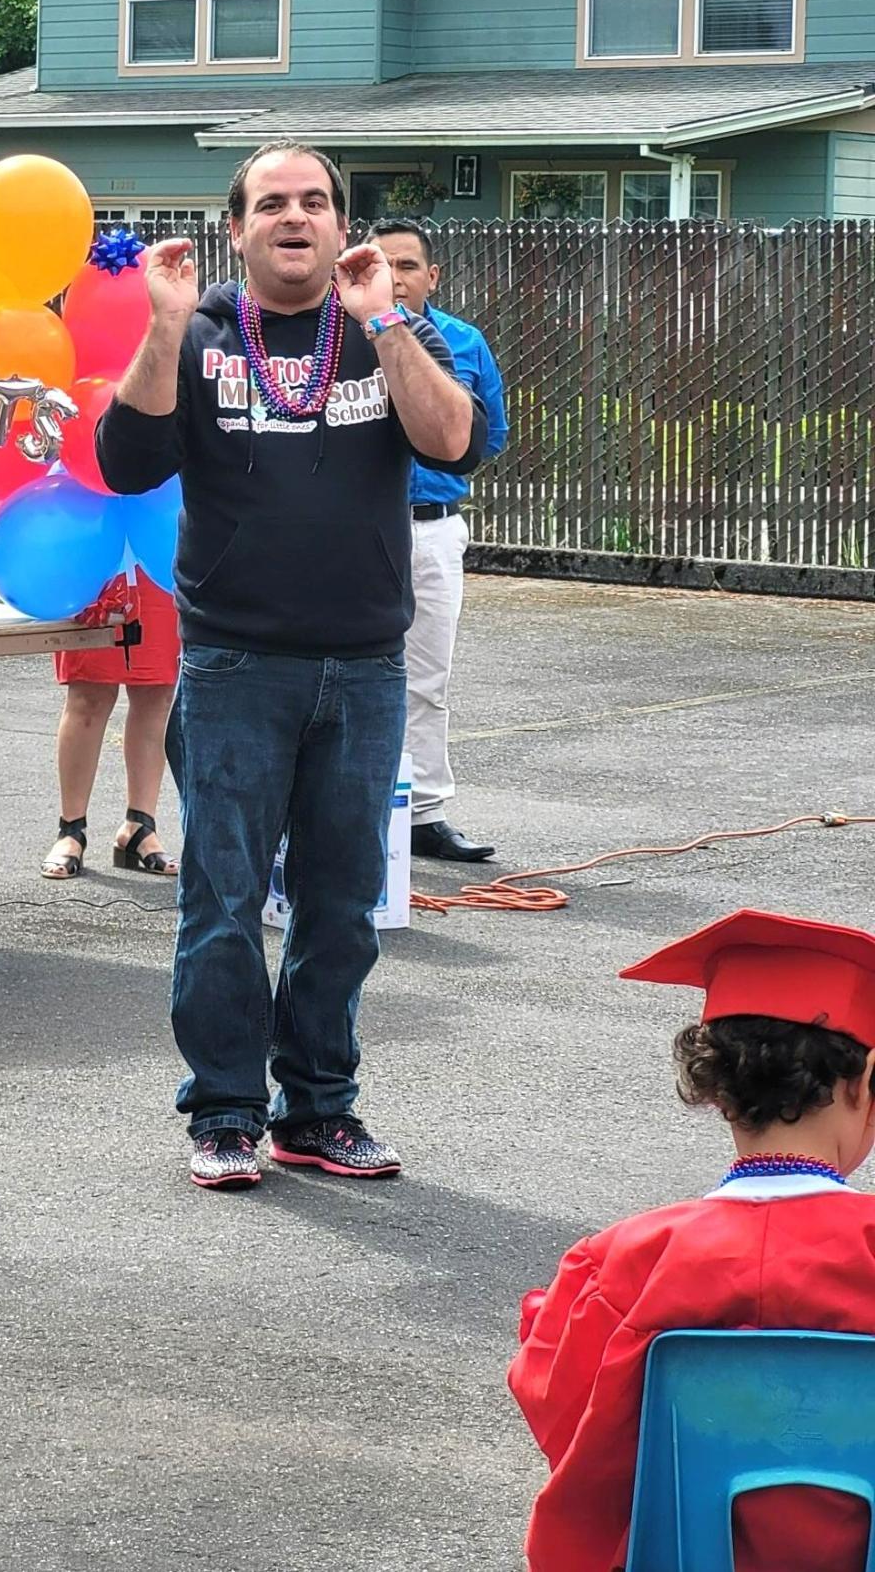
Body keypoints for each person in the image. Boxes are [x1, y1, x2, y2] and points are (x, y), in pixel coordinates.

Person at [96, 139, 487, 1191]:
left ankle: (317, 1109)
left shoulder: (381, 323)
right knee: (221, 899)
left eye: (314, 201)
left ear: (340, 226)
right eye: (271, 202)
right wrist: (165, 324)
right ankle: (225, 1109)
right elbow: (122, 461)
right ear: (237, 227)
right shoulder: (201, 330)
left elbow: (454, 444)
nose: (294, 217)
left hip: (361, 667)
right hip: (234, 664)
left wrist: (385, 322)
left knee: (340, 903)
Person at [510, 908, 875, 1572]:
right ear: (867, 1083)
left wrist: (547, 1319)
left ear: (717, 1092)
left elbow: (564, 1415)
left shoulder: (627, 1261)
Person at [367, 218, 508, 864]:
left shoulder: (465, 342)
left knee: (427, 677)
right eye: (382, 263)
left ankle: (423, 812)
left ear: (432, 275)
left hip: (432, 526)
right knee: (353, 669)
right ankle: (355, 806)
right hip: (362, 525)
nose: (395, 276)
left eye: (407, 264)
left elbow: (489, 434)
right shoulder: (343, 337)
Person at [41, 572, 180, 881]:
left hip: (157, 559)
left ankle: (140, 825)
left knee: (157, 691)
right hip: (100, 558)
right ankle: (71, 829)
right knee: (88, 693)